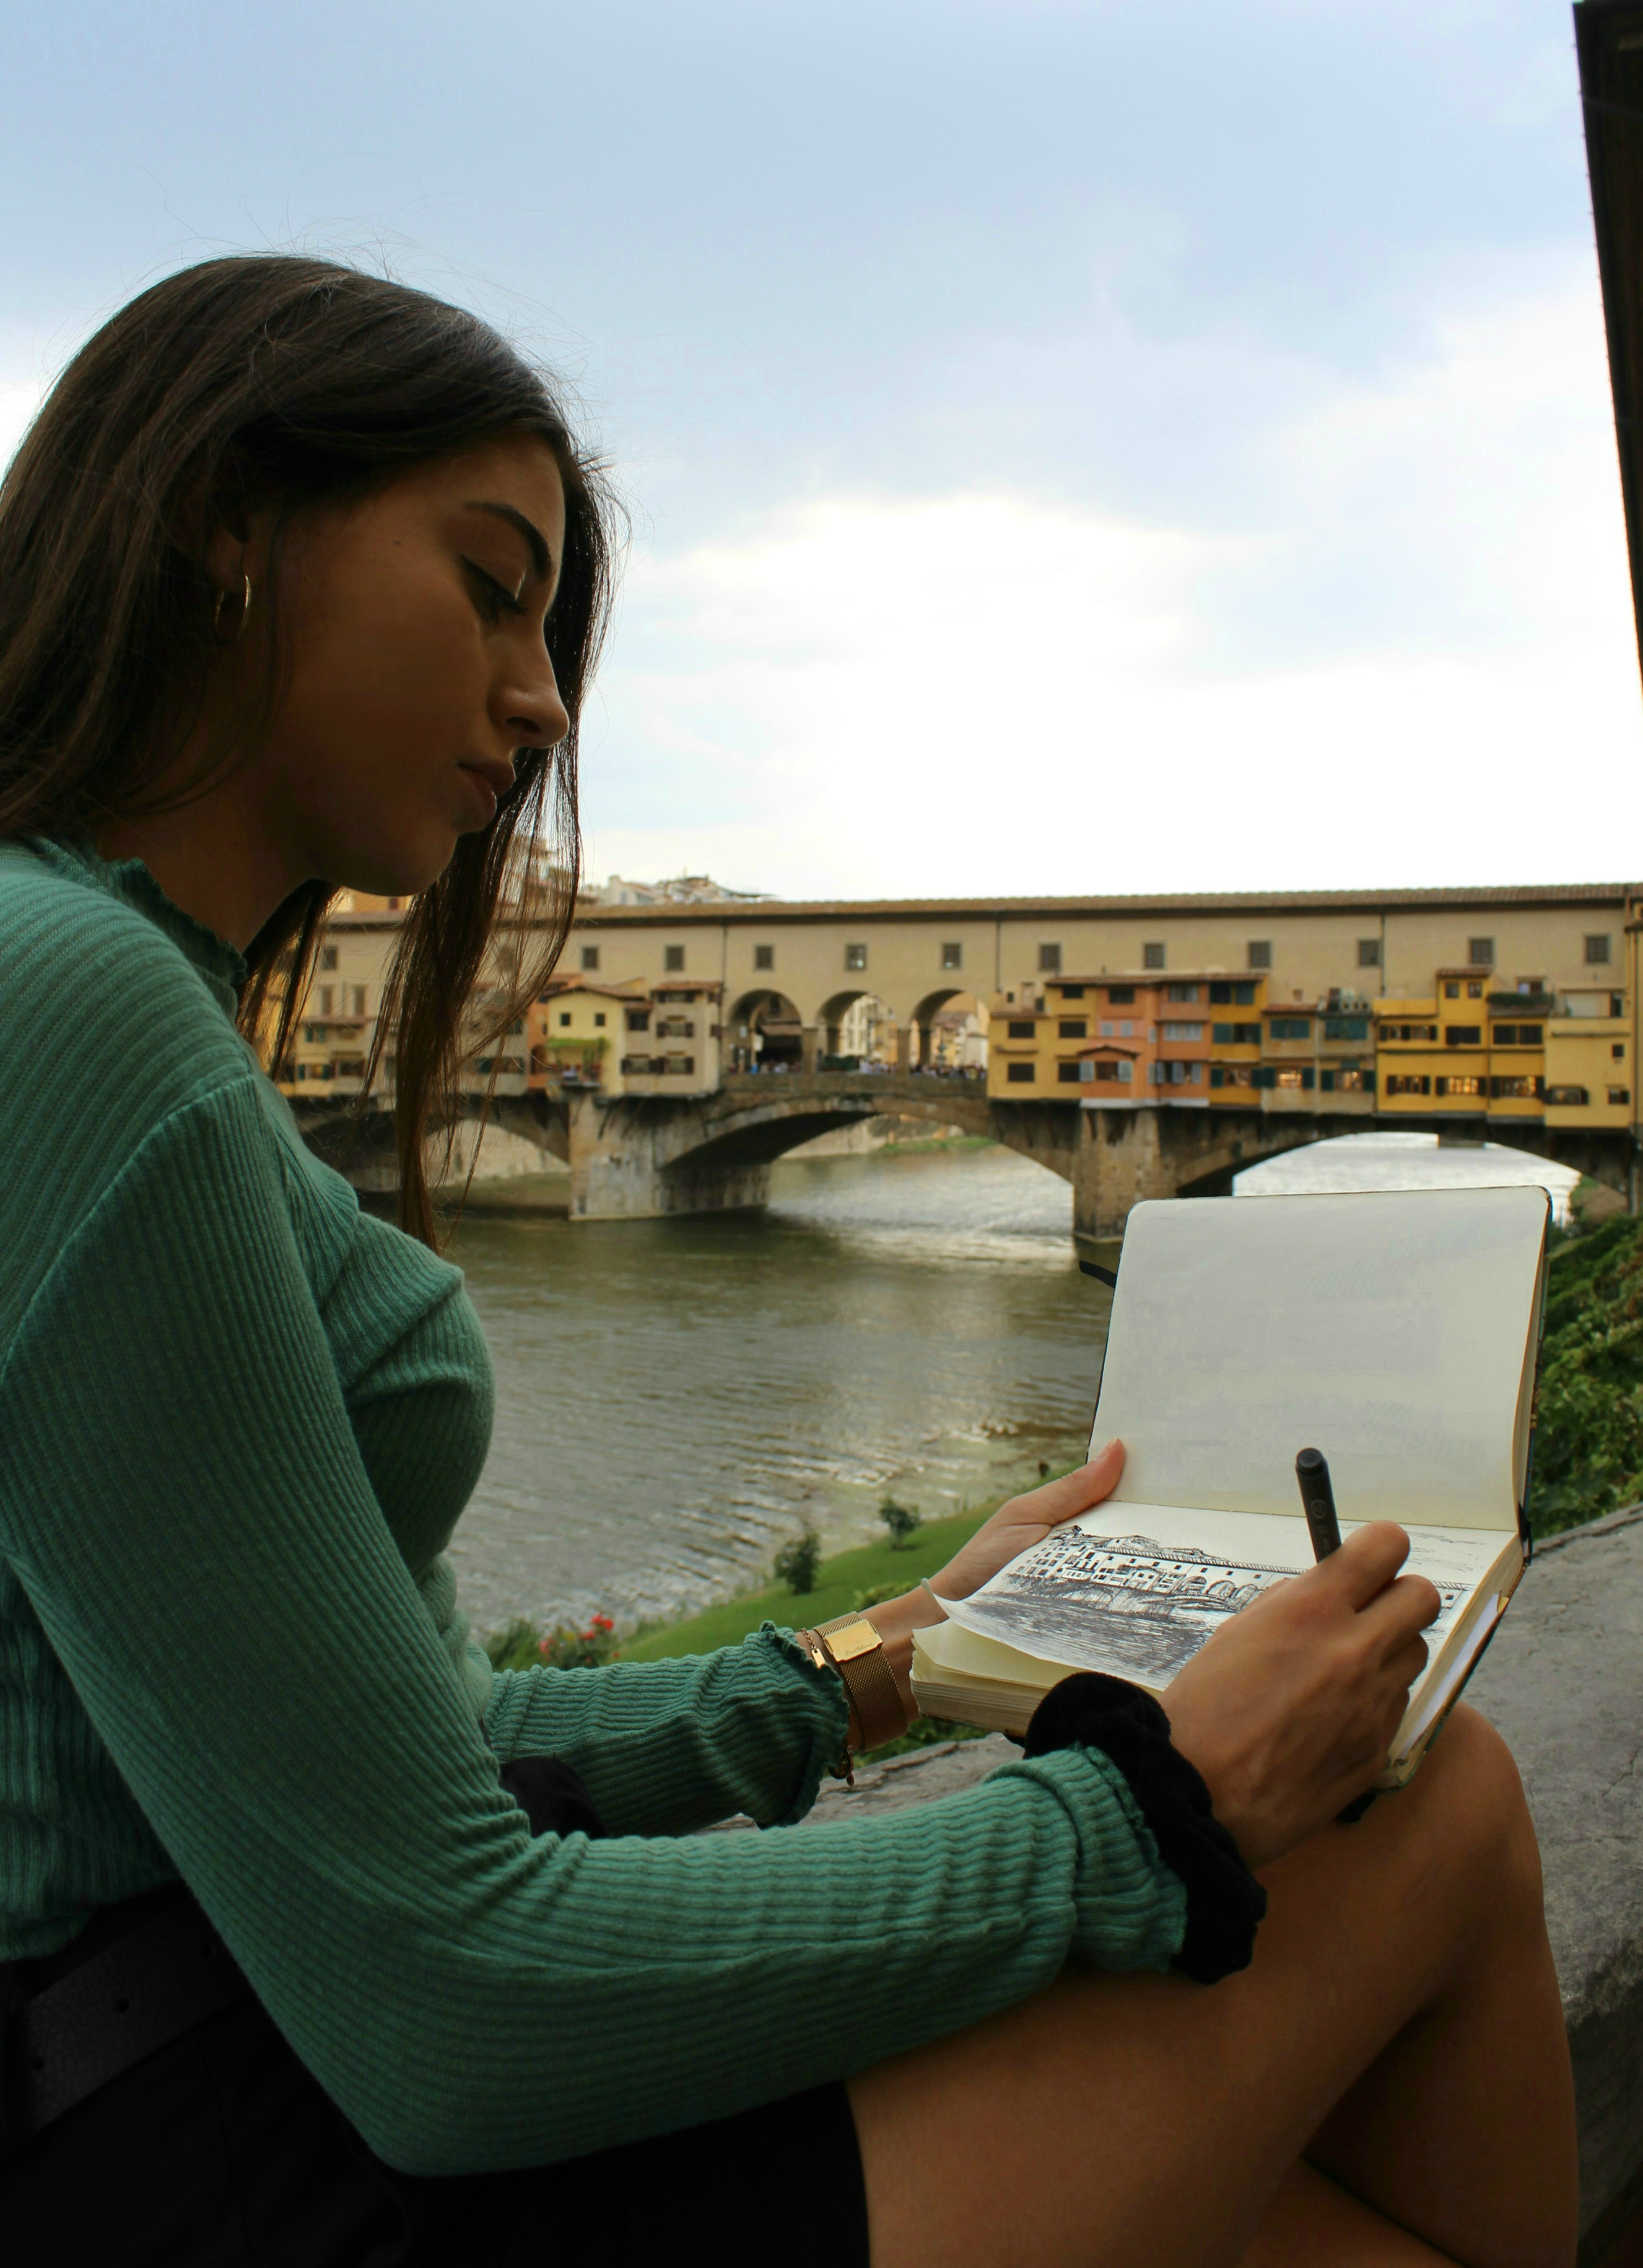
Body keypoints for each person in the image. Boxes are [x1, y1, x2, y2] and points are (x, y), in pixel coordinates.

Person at [0, 255, 1576, 2268]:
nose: (540, 700)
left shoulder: (119, 990)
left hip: (226, 2058)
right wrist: (1153, 1812)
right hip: (225, 2151)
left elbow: (418, 1743)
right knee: (1440, 1811)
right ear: (222, 522)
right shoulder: (75, 998)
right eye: (490, 588)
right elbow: (447, 1994)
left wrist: (893, 1645)